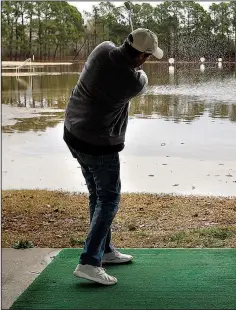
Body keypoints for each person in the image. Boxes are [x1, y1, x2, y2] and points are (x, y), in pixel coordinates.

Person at [63, 28, 163, 285]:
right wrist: (137, 69)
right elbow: (142, 82)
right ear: (142, 56)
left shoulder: (101, 49)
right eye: (148, 56)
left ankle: (104, 251)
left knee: (97, 194)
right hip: (98, 143)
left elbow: (119, 58)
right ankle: (89, 262)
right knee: (108, 199)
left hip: (73, 132)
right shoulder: (133, 82)